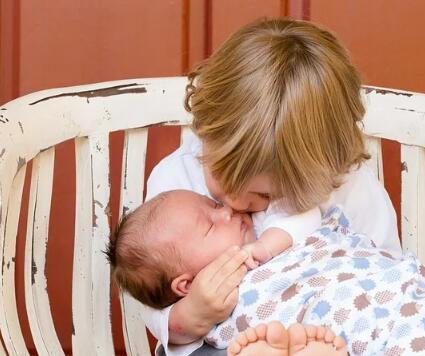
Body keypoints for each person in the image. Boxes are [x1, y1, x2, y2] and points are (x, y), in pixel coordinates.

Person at [142, 18, 401, 356]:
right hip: (225, 343)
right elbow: (150, 286)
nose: (235, 202)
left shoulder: (349, 188)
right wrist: (187, 316)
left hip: (335, 337)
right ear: (205, 130)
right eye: (221, 174)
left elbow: (388, 277)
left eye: (265, 195)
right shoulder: (174, 183)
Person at [106, 189, 347, 356]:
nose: (227, 212)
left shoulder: (264, 222)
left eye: (215, 204)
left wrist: (266, 246)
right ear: (186, 285)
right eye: (210, 227)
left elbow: (305, 214)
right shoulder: (212, 307)